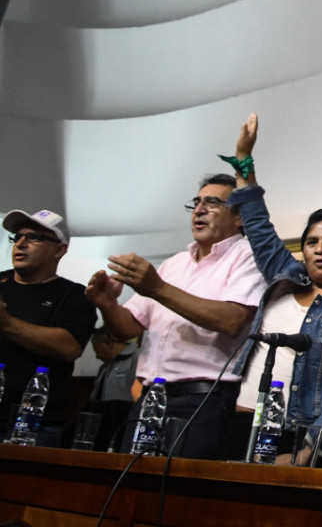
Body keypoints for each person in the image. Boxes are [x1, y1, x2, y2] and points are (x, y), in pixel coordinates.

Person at [221, 114, 322, 466]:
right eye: (311, 242)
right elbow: (258, 226)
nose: (319, 249)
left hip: (298, 434)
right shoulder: (287, 275)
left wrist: (309, 449)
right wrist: (243, 158)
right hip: (242, 419)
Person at [85, 174, 267, 459]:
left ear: (240, 218)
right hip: (148, 398)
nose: (199, 209)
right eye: (196, 202)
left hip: (202, 401)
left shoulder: (248, 256)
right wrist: (107, 304)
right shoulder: (174, 264)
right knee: (129, 490)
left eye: (213, 203)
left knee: (179, 495)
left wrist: (157, 288)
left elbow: (231, 320)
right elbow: (126, 328)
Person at [0, 209, 96, 447]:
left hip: (33, 424)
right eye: (17, 237)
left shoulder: (74, 296)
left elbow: (69, 347)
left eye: (33, 237)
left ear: (60, 249)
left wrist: (7, 323)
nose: (21, 243)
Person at [89, 327, 139, 403]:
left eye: (97, 350)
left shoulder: (138, 359)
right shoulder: (104, 368)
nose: (97, 356)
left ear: (108, 343)